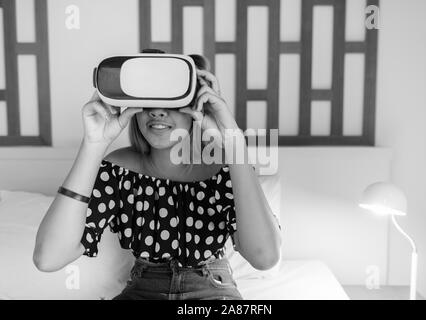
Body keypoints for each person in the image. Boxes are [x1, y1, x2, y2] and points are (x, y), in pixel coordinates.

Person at [33, 53, 281, 300]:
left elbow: (264, 257)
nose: (158, 111)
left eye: (172, 99)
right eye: (148, 98)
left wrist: (232, 141)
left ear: (196, 104)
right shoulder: (118, 171)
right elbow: (48, 257)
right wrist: (93, 144)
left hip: (213, 292)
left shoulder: (225, 170)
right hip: (142, 290)